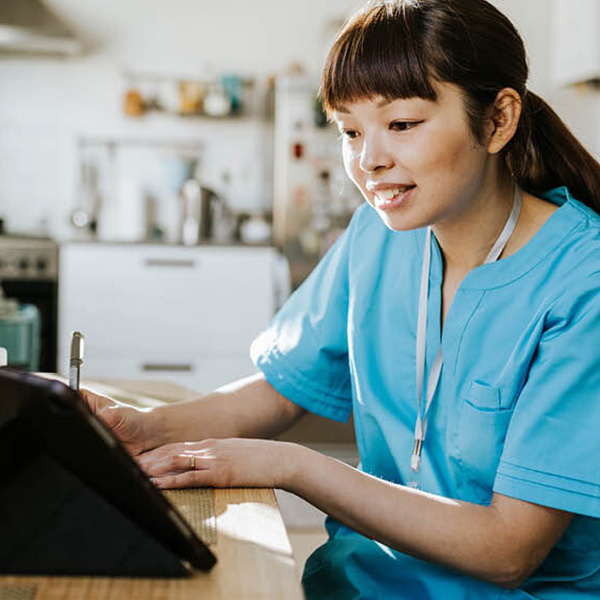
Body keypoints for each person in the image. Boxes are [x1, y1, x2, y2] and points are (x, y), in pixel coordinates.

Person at [83, 0, 600, 597]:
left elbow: (507, 550)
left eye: (401, 124)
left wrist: (293, 466)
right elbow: (281, 388)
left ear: (498, 120)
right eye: (351, 131)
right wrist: (143, 429)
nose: (369, 160)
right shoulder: (376, 237)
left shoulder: (582, 281)